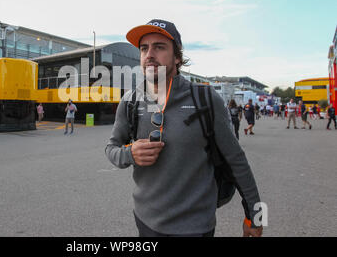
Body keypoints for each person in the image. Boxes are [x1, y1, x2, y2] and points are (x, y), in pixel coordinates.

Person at [105, 19, 263, 237]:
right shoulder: (130, 101)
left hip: (196, 228)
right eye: (144, 48)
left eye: (159, 47)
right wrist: (129, 153)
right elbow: (111, 148)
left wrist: (257, 217)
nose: (149, 54)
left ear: (177, 57)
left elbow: (237, 160)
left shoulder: (206, 99)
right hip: (145, 221)